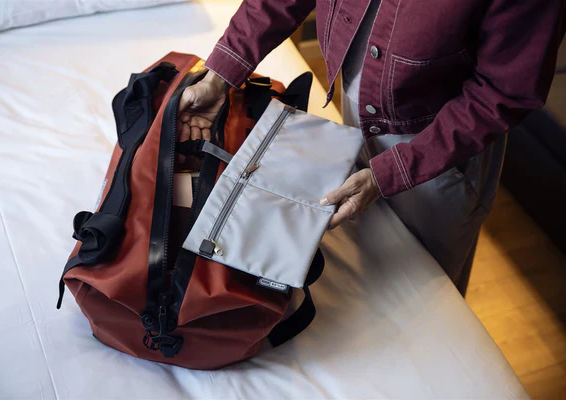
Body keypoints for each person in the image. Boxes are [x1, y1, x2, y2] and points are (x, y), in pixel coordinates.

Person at [177, 0, 565, 295]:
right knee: (365, 267)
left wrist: (390, 173)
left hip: (441, 150)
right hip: (360, 107)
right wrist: (220, 74)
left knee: (420, 293)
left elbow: (503, 91)